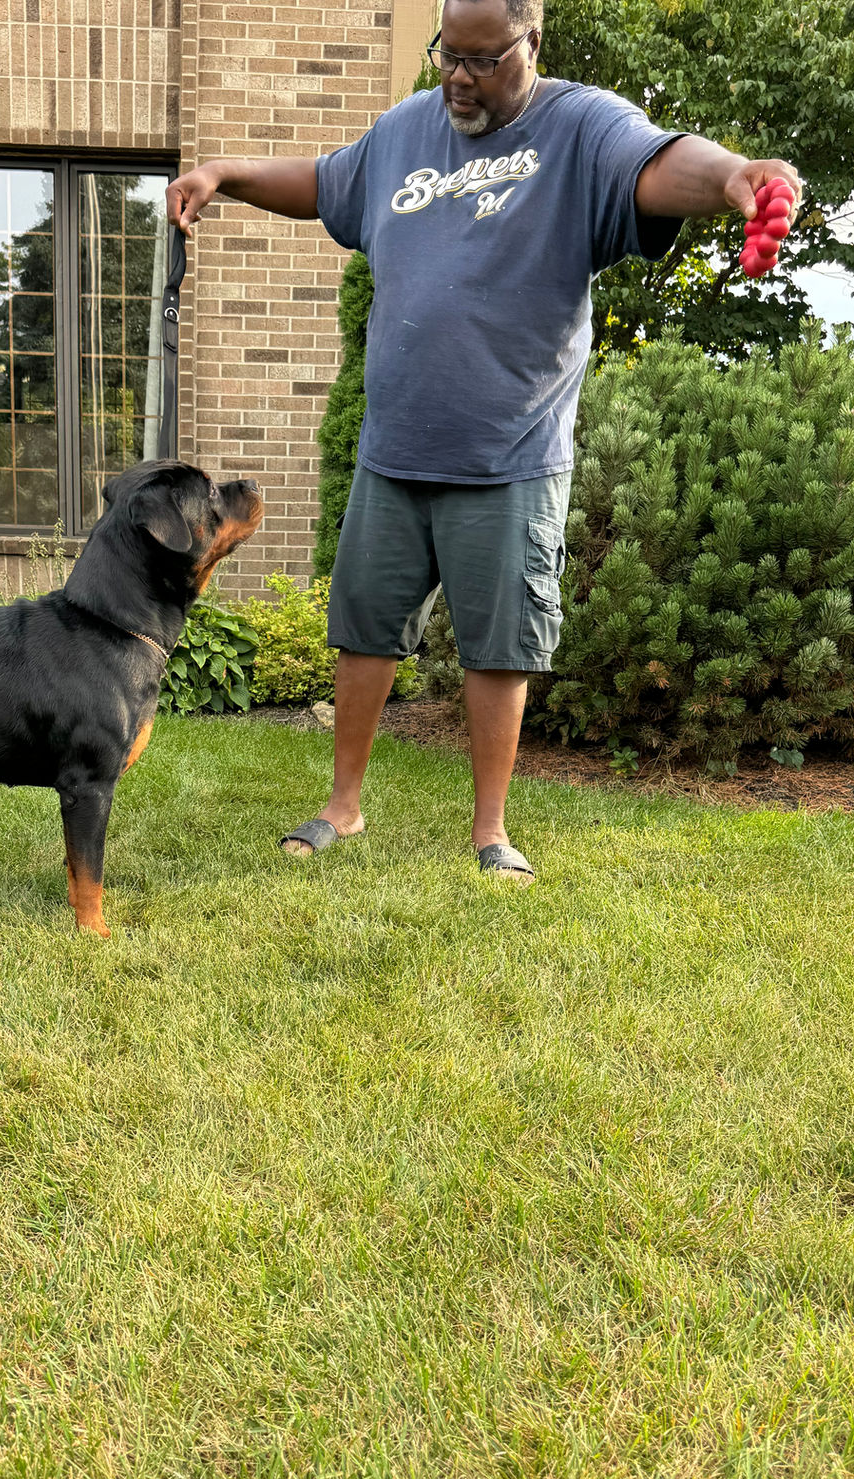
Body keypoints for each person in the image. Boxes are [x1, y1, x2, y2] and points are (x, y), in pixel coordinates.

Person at [166, 0, 801, 880]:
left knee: (498, 647)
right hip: (394, 449)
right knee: (364, 633)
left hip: (508, 455)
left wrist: (734, 176)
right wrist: (225, 172)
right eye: (445, 56)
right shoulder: (404, 134)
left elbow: (658, 165)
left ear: (528, 44)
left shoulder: (580, 127)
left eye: (479, 60)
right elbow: (322, 182)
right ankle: (341, 806)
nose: (456, 77)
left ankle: (489, 830)